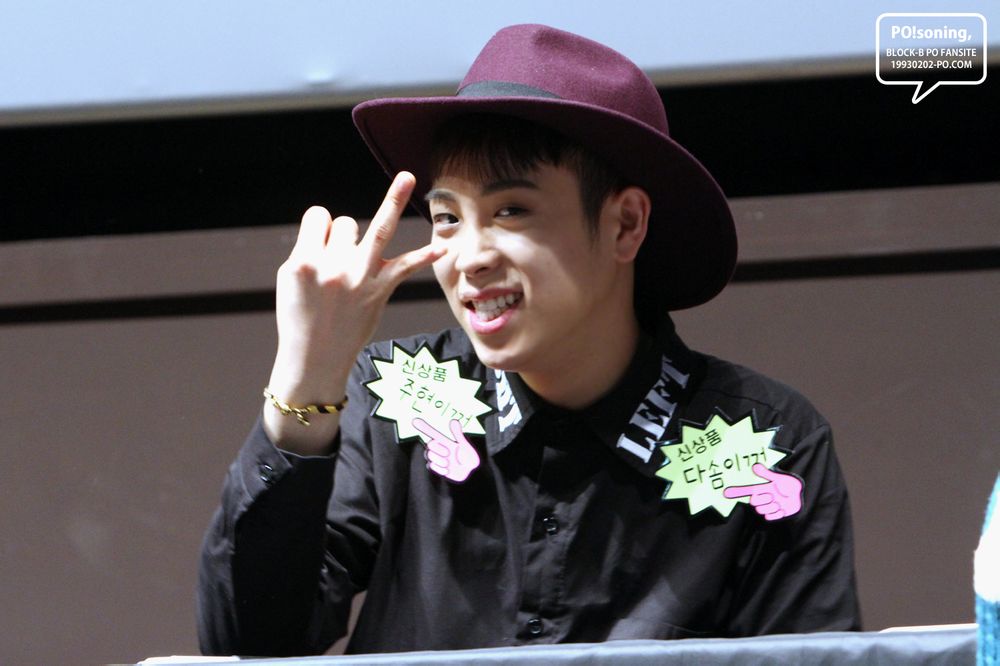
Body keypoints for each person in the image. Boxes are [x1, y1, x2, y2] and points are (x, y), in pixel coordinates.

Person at [197, 24, 860, 657]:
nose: (470, 257)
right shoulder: (399, 394)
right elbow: (249, 640)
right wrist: (305, 381)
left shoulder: (768, 442)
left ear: (626, 224)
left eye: (511, 210)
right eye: (447, 218)